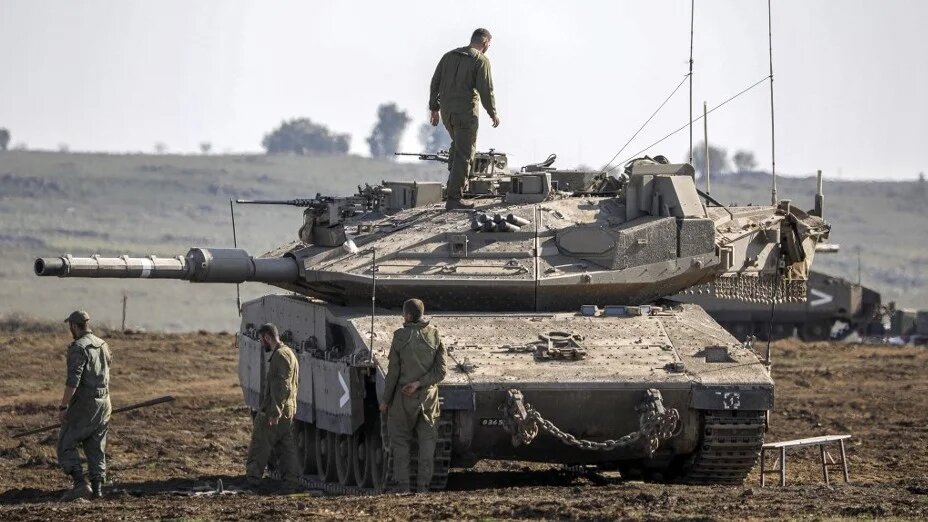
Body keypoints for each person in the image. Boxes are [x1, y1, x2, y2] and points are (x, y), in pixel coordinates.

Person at [380, 299, 448, 492]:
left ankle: (403, 487)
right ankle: (423, 488)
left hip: (403, 398)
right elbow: (441, 371)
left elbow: (393, 373)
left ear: (408, 316)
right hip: (428, 398)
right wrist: (420, 383)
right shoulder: (434, 335)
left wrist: (385, 401)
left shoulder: (400, 336)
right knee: (428, 443)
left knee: (400, 441)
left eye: (404, 314)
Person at [428, 28, 500, 210]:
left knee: (457, 146)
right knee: (465, 153)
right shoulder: (480, 60)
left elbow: (435, 82)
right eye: (488, 45)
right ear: (485, 43)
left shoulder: (449, 56)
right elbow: (486, 90)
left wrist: (434, 108)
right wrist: (493, 113)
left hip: (447, 113)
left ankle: (454, 185)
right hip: (465, 113)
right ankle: (454, 199)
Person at [57, 310, 112, 501]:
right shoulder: (102, 344)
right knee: (96, 445)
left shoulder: (78, 347)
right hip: (104, 402)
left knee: (66, 441)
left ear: (73, 326)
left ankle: (80, 485)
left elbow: (73, 381)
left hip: (85, 403)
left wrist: (63, 407)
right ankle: (97, 490)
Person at [245, 323, 301, 491]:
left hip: (277, 409)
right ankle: (291, 482)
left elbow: (280, 386)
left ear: (267, 337)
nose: (262, 344)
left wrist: (274, 412)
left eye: (262, 340)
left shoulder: (279, 356)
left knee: (260, 442)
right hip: (288, 409)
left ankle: (253, 479)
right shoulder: (290, 353)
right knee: (285, 446)